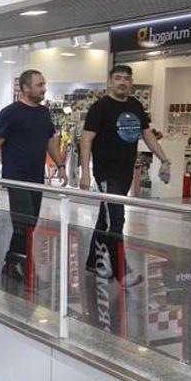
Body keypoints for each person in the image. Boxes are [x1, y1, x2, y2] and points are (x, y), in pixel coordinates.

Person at [80, 64, 173, 295]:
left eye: (126, 79)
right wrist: (84, 172)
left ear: (131, 82)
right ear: (110, 81)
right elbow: (86, 139)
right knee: (117, 219)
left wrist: (164, 159)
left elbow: (147, 134)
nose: (123, 82)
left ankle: (93, 260)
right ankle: (122, 272)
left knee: (106, 217)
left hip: (125, 172)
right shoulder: (100, 107)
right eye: (118, 78)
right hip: (106, 172)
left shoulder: (135, 106)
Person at [0, 69, 67, 282]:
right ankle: (21, 263)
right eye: (39, 85)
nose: (44, 89)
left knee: (30, 224)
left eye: (43, 84)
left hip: (36, 179)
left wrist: (61, 165)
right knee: (24, 223)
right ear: (25, 88)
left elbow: (50, 141)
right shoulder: (10, 112)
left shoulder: (43, 113)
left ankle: (12, 263)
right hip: (16, 177)